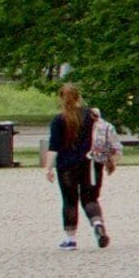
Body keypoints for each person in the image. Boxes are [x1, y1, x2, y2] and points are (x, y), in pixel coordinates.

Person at [46, 84, 117, 250]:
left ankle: (70, 239)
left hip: (67, 166)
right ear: (79, 97)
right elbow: (102, 140)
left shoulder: (59, 120)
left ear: (61, 98)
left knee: (69, 200)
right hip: (91, 164)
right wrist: (109, 160)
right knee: (90, 199)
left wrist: (48, 168)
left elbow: (54, 147)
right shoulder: (92, 116)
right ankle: (98, 224)